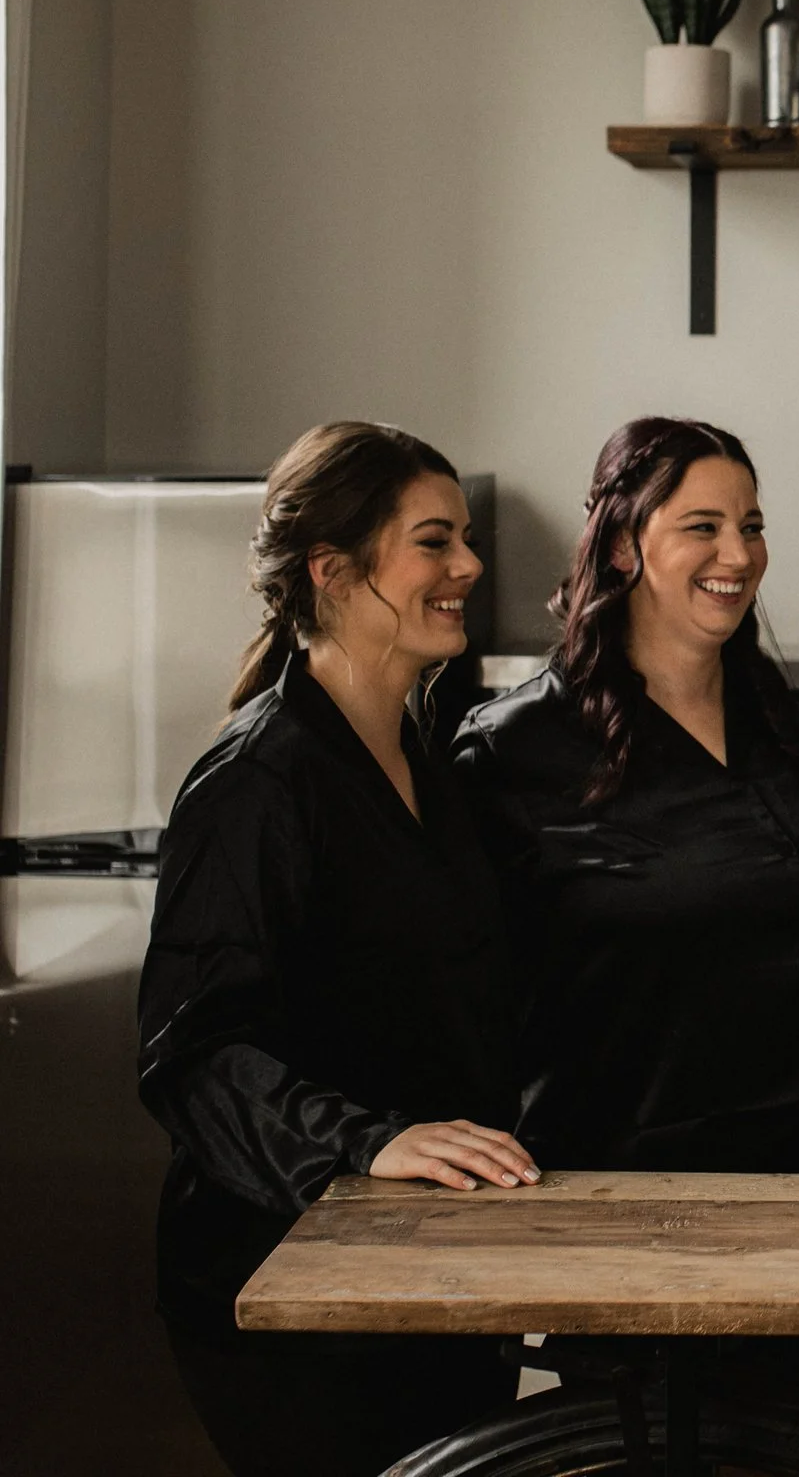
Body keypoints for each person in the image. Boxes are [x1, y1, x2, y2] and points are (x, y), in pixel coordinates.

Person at [137, 422, 532, 1477]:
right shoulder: (258, 780)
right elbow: (193, 1056)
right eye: (434, 542)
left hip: (430, 1270)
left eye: (466, 540)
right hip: (287, 1293)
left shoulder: (428, 760)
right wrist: (366, 1143)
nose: (468, 566)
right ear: (332, 570)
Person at [453, 418, 799, 1176]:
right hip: (619, 1190)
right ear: (621, 545)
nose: (738, 555)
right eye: (702, 527)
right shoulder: (513, 749)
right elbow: (457, 1012)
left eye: (751, 527)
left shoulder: (780, 724)